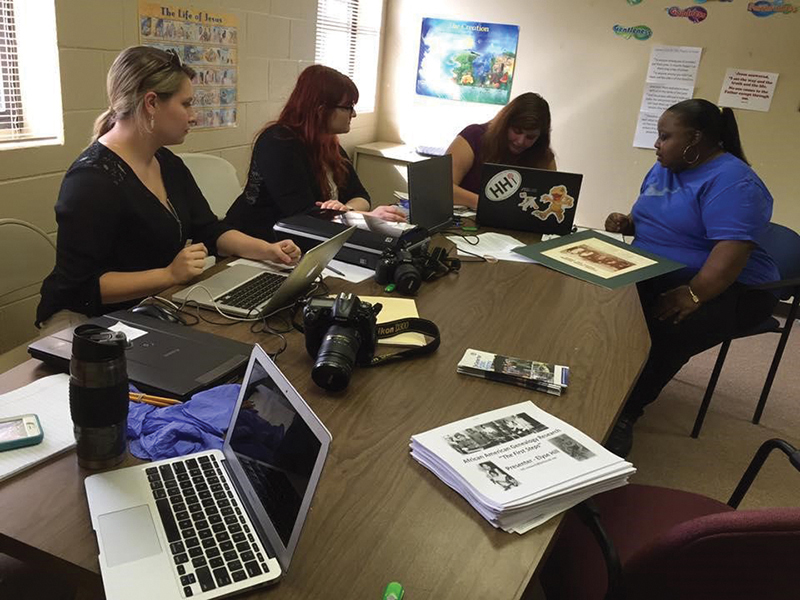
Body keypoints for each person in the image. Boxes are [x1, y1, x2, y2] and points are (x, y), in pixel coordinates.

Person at [36, 46, 301, 327]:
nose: (194, 115)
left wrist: (267, 250)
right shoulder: (91, 180)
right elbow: (81, 287)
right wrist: (169, 275)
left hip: (148, 305)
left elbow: (210, 230)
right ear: (151, 103)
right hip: (84, 319)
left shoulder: (165, 160)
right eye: (186, 104)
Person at [604, 98, 779, 457]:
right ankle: (600, 385)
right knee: (598, 299)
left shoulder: (734, 182)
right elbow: (660, 219)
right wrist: (629, 223)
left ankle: (625, 413)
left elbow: (729, 259)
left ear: (694, 140)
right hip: (657, 267)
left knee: (670, 325)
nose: (657, 144)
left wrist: (693, 294)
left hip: (731, 286)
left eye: (665, 136)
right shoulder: (665, 167)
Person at [224, 65, 405, 241]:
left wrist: (346, 208)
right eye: (348, 107)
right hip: (258, 241)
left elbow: (361, 195)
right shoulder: (278, 142)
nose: (354, 114)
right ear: (321, 110)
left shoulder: (328, 143)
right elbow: (303, 215)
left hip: (309, 239)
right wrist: (361, 216)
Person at [446, 92, 557, 209]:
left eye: (530, 137)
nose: (520, 141)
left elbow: (551, 201)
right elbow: (441, 187)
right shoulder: (473, 137)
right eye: (517, 131)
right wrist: (488, 205)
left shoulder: (544, 157)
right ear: (505, 124)